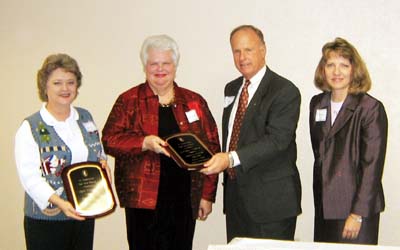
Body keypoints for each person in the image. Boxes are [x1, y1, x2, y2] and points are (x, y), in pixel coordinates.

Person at [101, 34, 220, 250]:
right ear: (144, 66)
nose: (160, 69)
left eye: (166, 63)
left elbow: (212, 150)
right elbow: (109, 140)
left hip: (184, 198)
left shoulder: (194, 101)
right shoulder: (128, 101)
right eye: (153, 63)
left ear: (175, 65)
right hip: (142, 201)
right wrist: (143, 142)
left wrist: (206, 195)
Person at [201, 25, 302, 242]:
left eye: (248, 50)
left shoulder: (285, 91)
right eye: (236, 51)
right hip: (236, 198)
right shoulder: (231, 88)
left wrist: (229, 159)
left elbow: (277, 141)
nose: (242, 57)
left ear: (263, 50)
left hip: (271, 204)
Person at [14, 53, 111, 250]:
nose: (65, 88)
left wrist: (103, 165)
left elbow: (97, 151)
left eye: (71, 82)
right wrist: (60, 203)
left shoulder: (85, 117)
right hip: (46, 220)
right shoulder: (31, 126)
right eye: (57, 82)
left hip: (83, 212)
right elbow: (29, 178)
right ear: (45, 87)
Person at [310, 37, 388, 245]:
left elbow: (372, 166)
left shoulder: (370, 108)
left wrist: (357, 214)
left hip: (355, 210)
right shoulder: (317, 104)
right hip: (324, 206)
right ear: (323, 69)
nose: (337, 72)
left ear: (354, 70)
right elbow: (320, 154)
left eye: (344, 65)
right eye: (330, 65)